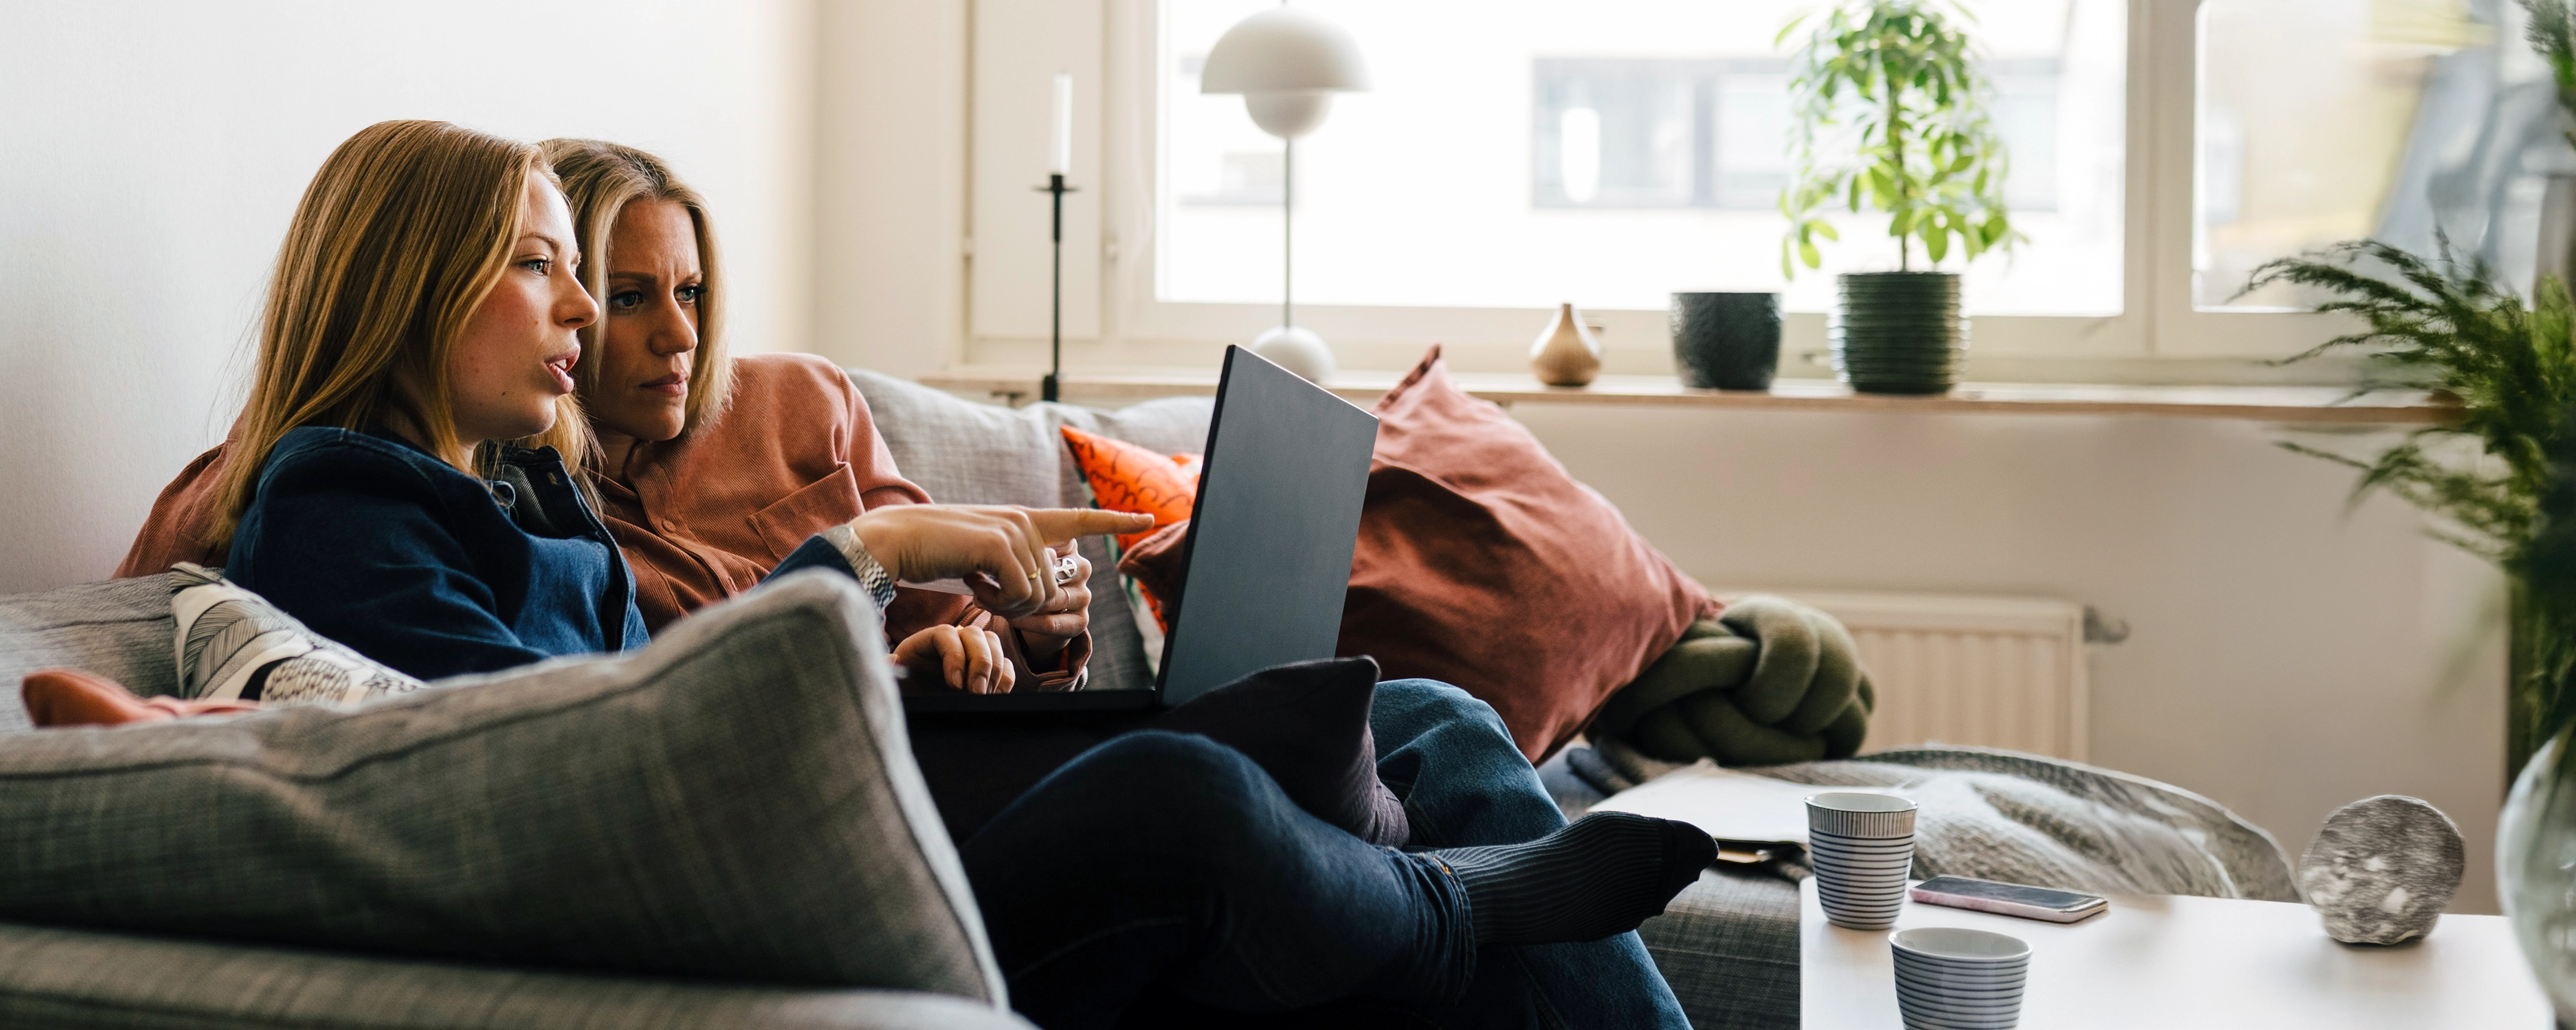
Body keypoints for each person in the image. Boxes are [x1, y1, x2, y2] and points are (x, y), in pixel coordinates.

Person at [121, 137, 1704, 1024]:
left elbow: (664, 701)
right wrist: (860, 563)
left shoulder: (527, 503)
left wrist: (896, 671)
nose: (596, 323)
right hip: (774, 906)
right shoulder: (336, 513)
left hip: (824, 820)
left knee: (1416, 710)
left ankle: (1446, 895)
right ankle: (1438, 905)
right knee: (1185, 799)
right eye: (547, 268)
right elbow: (586, 758)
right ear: (405, 290)